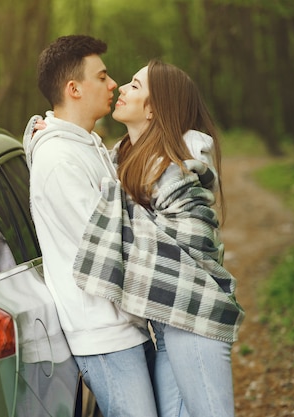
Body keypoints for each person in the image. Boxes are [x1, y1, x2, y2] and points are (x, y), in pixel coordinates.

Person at [72, 59, 245, 417]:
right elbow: (86, 169)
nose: (121, 88)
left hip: (192, 318)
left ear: (153, 109)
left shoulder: (176, 169)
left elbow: (195, 244)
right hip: (165, 326)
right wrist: (47, 130)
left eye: (135, 86)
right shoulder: (124, 157)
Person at [23, 35, 158, 417]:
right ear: (74, 89)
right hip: (102, 331)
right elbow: (104, 246)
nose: (113, 84)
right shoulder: (59, 160)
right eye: (102, 77)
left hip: (124, 322)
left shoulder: (86, 145)